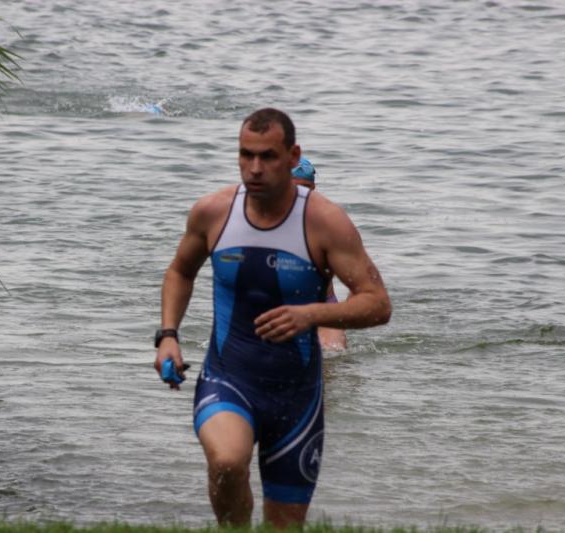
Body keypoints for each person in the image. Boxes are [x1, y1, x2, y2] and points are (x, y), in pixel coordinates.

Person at [154, 108, 391, 528]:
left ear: (292, 155)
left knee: (284, 525)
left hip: (297, 399)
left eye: (267, 156)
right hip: (228, 377)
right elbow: (179, 272)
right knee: (227, 462)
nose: (255, 168)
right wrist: (168, 335)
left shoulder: (325, 222)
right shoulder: (213, 211)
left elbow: (377, 303)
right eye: (246, 155)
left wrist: (312, 314)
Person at [291, 156, 348, 351]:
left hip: (324, 305)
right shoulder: (262, 222)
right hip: (278, 307)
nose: (301, 194)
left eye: (307, 188)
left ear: (314, 188)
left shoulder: (328, 222)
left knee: (334, 353)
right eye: (295, 187)